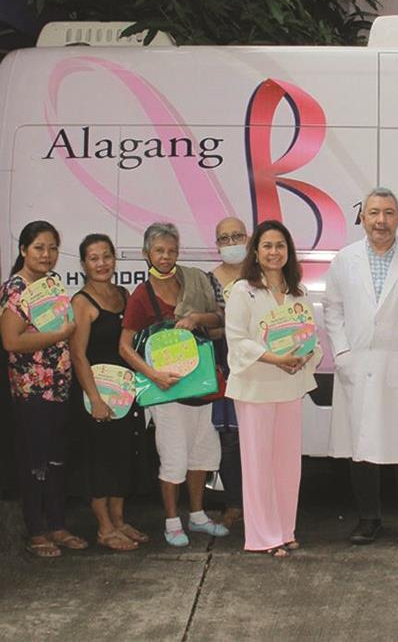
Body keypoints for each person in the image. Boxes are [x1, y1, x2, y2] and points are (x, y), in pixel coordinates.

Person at [323, 187, 398, 546]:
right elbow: (333, 309)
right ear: (362, 217)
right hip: (358, 366)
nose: (381, 221)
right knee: (362, 447)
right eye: (374, 213)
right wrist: (342, 352)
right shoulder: (344, 259)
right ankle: (368, 519)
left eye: (389, 213)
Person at [118, 222, 229, 547]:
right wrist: (154, 375)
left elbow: (218, 319)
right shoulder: (141, 295)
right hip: (166, 390)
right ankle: (171, 522)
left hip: (199, 383)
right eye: (159, 251)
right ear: (146, 254)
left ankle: (197, 516)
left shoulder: (193, 279)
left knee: (202, 453)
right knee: (174, 456)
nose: (166, 257)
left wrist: (196, 318)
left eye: (171, 251)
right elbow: (124, 347)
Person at [225, 220, 321, 558]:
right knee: (257, 465)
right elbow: (237, 341)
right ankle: (263, 537)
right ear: (256, 251)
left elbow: (311, 336)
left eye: (280, 246)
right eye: (267, 245)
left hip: (289, 386)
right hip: (255, 388)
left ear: (288, 251)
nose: (274, 252)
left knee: (287, 465)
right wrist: (274, 358)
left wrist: (304, 355)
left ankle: (285, 530)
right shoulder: (243, 291)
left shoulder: (299, 292)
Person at [0, 221, 86, 558]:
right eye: (39, 247)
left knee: (56, 459)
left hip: (59, 389)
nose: (47, 255)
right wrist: (58, 336)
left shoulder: (52, 283)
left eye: (52, 248)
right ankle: (36, 531)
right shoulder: (16, 288)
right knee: (34, 461)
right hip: (32, 392)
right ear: (23, 250)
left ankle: (58, 525)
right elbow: (11, 340)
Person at [69, 234, 149, 551]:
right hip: (96, 396)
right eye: (93, 258)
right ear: (84, 264)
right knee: (98, 461)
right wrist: (96, 400)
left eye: (107, 256)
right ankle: (104, 528)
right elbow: (78, 354)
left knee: (121, 457)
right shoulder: (82, 302)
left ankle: (119, 519)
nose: (101, 263)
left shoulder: (124, 294)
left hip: (124, 395)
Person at [207, 216, 249, 528]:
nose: (232, 243)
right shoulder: (208, 281)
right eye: (225, 238)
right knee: (229, 439)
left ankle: (263, 500)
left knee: (258, 438)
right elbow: (206, 328)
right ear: (217, 244)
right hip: (225, 368)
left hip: (260, 368)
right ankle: (235, 503)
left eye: (237, 236)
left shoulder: (260, 275)